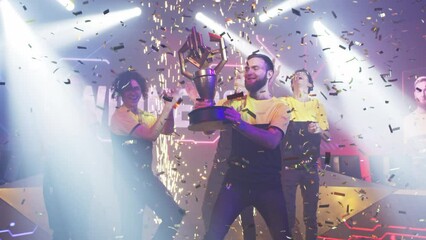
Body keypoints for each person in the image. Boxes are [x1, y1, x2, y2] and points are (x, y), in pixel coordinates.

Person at [201, 53, 292, 240]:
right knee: (213, 234)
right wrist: (204, 103)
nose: (249, 72)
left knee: (283, 236)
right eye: (247, 68)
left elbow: (271, 141)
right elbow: (208, 130)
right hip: (236, 182)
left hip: (268, 184)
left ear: (269, 74)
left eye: (255, 68)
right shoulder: (234, 101)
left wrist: (239, 123)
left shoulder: (279, 107)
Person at [110, 70, 185, 240]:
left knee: (174, 216)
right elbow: (151, 135)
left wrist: (171, 107)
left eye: (136, 89)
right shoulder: (120, 116)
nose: (133, 92)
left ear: (141, 91)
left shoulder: (143, 115)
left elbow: (167, 129)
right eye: (128, 89)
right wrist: (167, 106)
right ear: (121, 92)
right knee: (132, 233)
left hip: (145, 179)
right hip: (127, 182)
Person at [201, 70, 256, 240]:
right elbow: (208, 130)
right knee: (208, 207)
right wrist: (206, 106)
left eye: (242, 75)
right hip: (222, 163)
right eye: (237, 75)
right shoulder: (225, 102)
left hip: (245, 165)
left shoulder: (255, 103)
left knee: (246, 213)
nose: (238, 77)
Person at [279, 69, 330, 240]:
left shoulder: (317, 104)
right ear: (291, 82)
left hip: (310, 166)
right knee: (286, 212)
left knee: (310, 214)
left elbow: (327, 136)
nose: (297, 75)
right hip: (287, 165)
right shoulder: (284, 102)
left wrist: (318, 130)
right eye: (294, 75)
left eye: (302, 74)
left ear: (309, 83)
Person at [403, 75, 426, 189]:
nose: (423, 94)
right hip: (417, 176)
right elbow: (407, 149)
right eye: (419, 90)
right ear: (415, 94)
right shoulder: (408, 120)